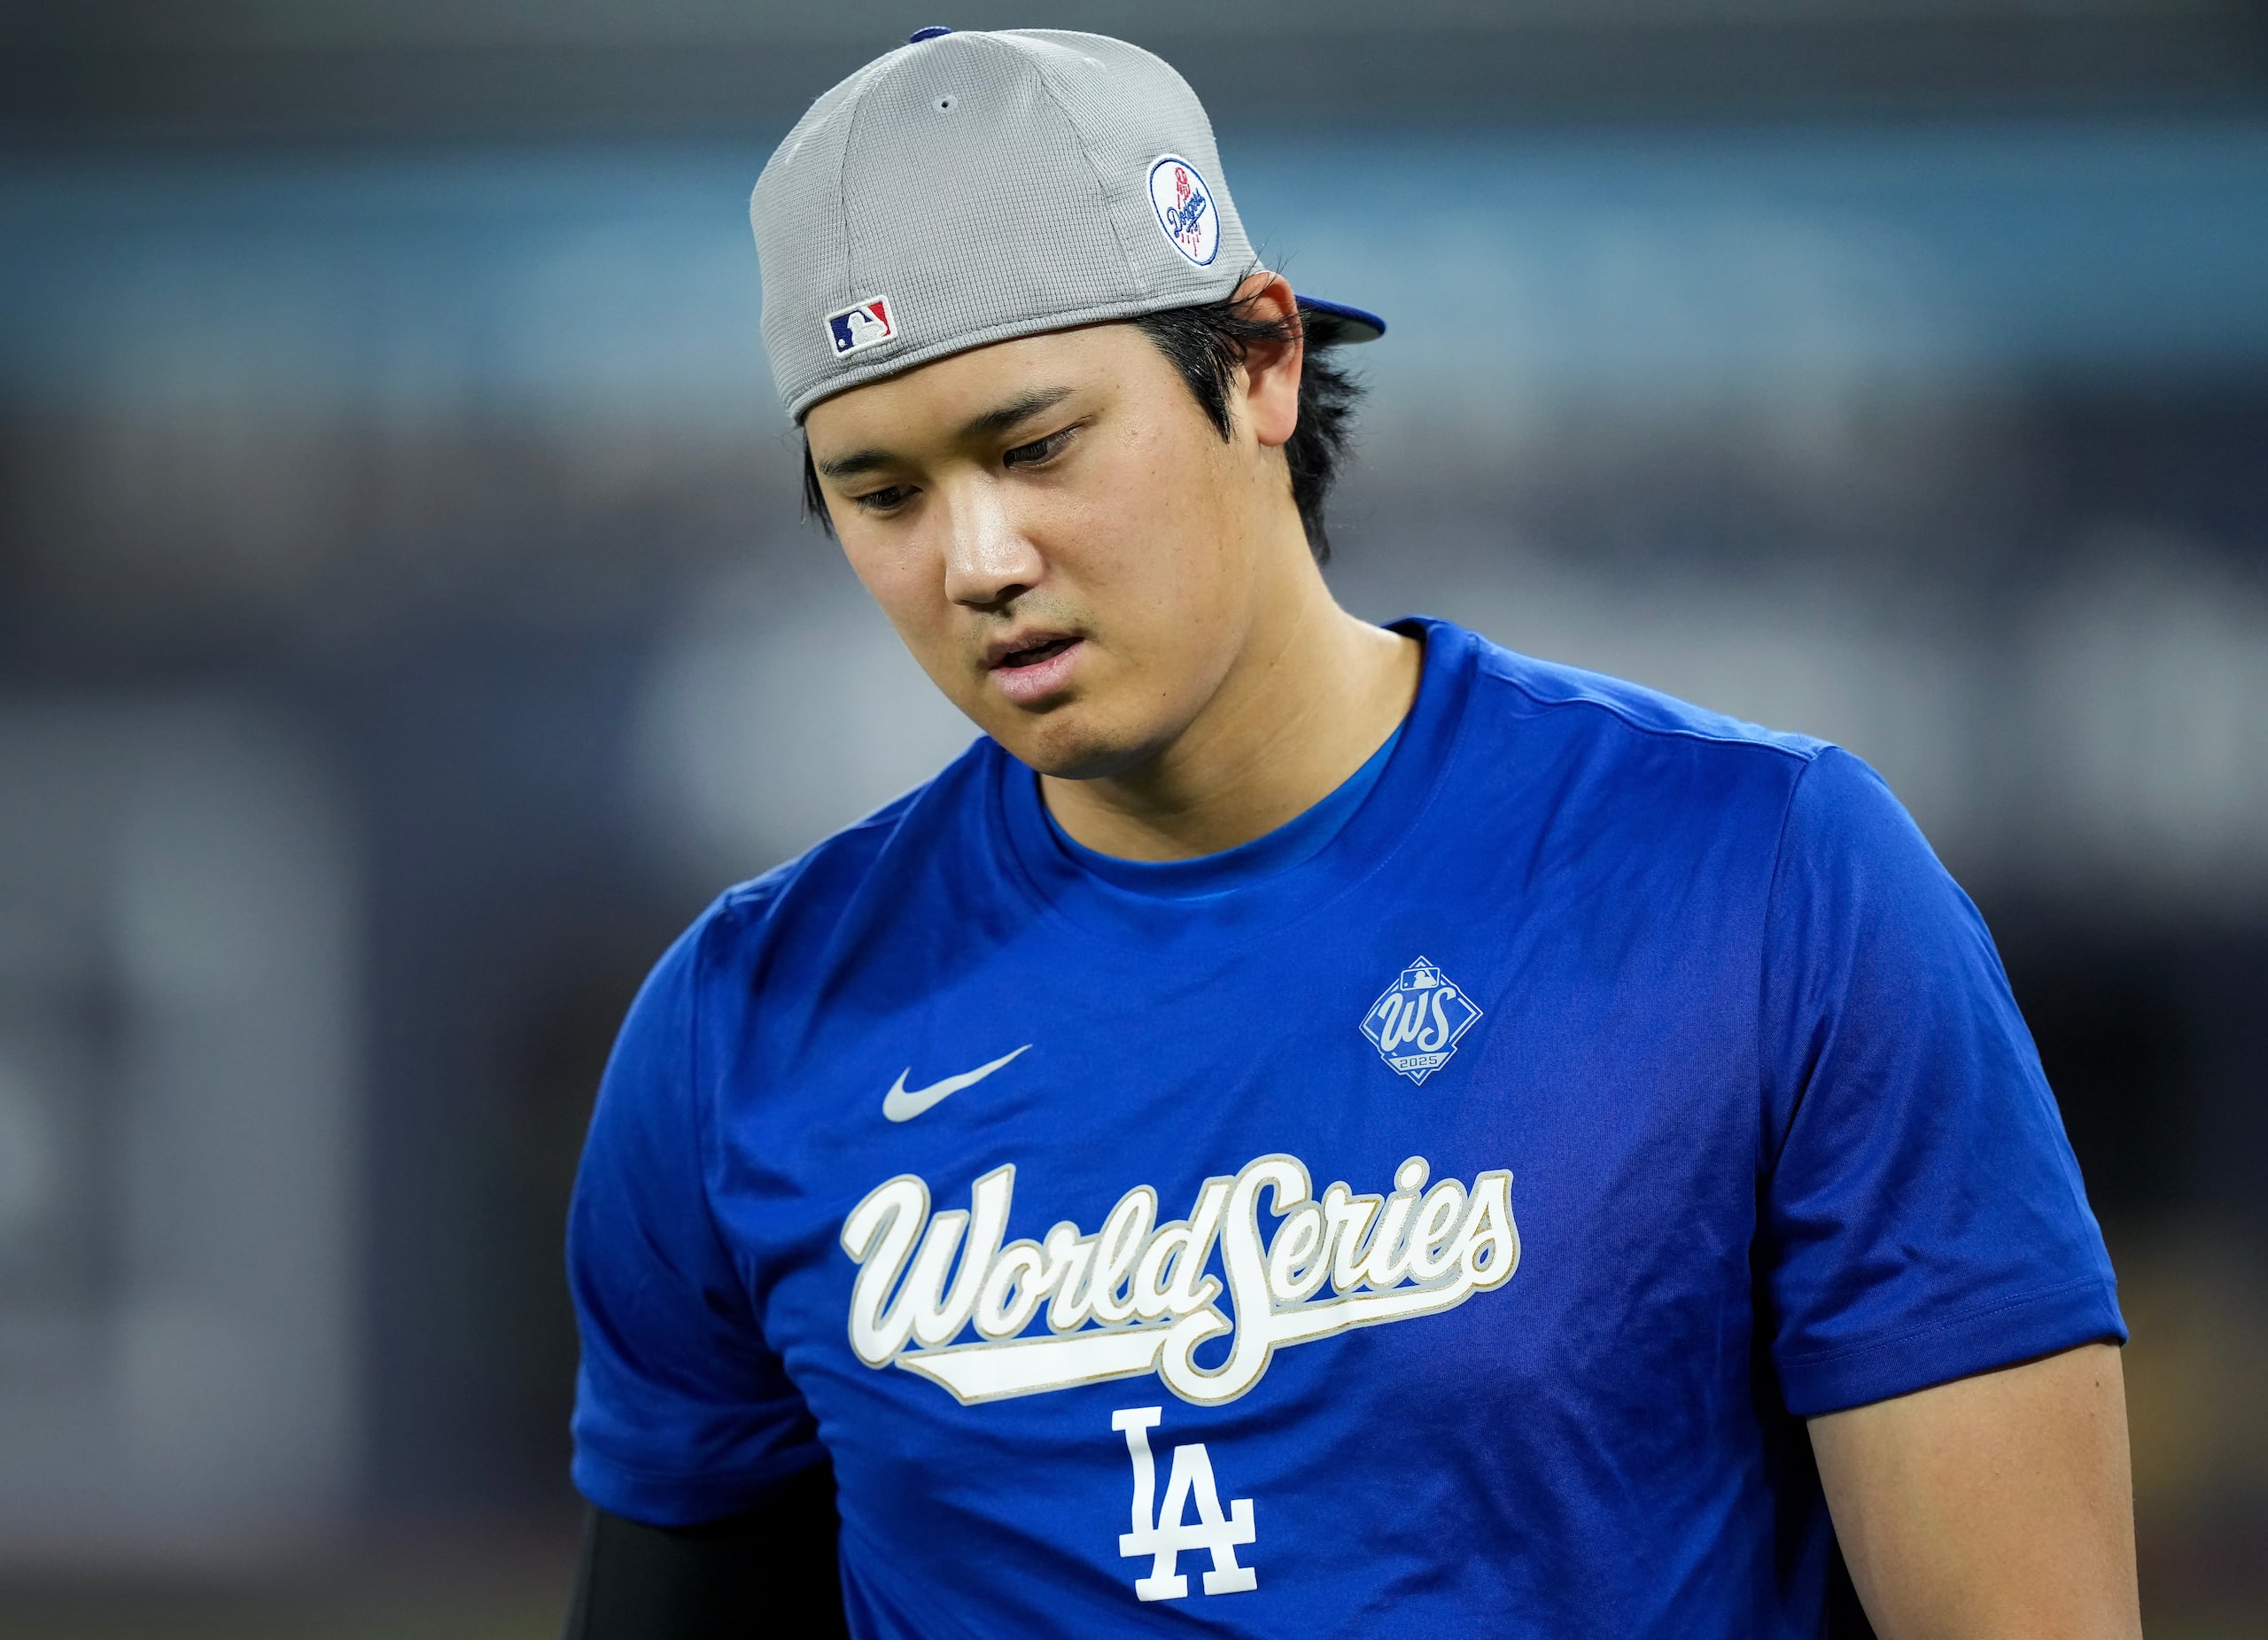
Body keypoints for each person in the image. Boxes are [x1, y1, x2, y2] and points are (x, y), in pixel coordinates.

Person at [563, 27, 2140, 1639]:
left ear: (1259, 359)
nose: (977, 557)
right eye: (881, 492)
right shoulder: (743, 1035)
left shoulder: (1765, 880)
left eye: (1037, 447)